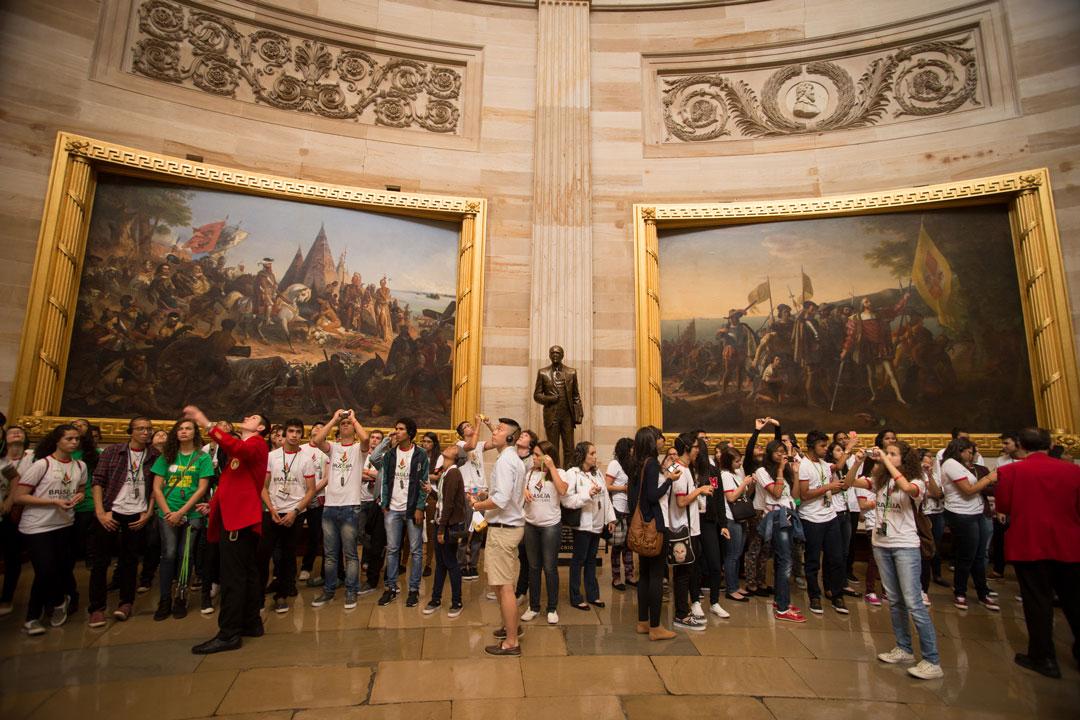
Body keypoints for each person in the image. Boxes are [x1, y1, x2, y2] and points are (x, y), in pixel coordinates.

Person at [848, 442, 943, 680]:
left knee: (914, 602)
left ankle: (932, 660)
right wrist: (859, 461)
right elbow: (850, 483)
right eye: (886, 453)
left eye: (893, 454)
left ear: (904, 459)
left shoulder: (918, 481)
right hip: (882, 544)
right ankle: (904, 648)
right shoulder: (881, 481)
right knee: (895, 600)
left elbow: (907, 488)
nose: (886, 457)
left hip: (905, 545)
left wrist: (885, 461)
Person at [994, 427, 1080, 679]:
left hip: (1030, 544)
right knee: (1075, 601)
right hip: (1070, 544)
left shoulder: (1011, 471)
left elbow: (1004, 505)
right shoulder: (1074, 471)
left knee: (1037, 602)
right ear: (1050, 444)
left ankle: (1043, 658)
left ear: (1020, 444)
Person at [185, 405, 270, 655]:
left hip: (239, 520)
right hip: (232, 517)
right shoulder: (241, 451)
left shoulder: (255, 444)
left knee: (233, 579)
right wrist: (212, 505)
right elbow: (231, 483)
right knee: (246, 574)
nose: (247, 415)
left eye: (253, 417)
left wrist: (205, 422)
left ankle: (229, 633)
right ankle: (251, 623)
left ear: (261, 428)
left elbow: (237, 447)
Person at [12, 425, 86, 635]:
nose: (74, 442)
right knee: (45, 569)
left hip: (64, 523)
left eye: (76, 439)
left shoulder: (80, 466)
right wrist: (53, 501)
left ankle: (33, 617)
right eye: (69, 439)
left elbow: (80, 488)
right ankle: (58, 600)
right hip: (37, 525)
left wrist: (79, 496)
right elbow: (19, 496)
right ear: (57, 441)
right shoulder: (42, 464)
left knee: (57, 569)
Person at [88, 417, 158, 627]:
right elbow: (98, 481)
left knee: (130, 560)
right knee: (100, 562)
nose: (145, 432)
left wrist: (148, 512)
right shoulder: (113, 451)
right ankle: (97, 608)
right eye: (140, 429)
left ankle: (126, 602)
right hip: (111, 510)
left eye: (148, 429)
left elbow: (157, 487)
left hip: (137, 512)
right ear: (131, 431)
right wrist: (101, 512)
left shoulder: (155, 455)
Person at [467, 418, 528, 656]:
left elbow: (501, 500)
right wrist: (487, 494)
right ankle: (511, 626)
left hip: (504, 529)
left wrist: (477, 504)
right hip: (506, 527)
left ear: (511, 438)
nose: (495, 432)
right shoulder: (511, 458)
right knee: (500, 584)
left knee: (504, 587)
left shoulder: (505, 462)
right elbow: (504, 494)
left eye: (501, 430)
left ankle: (511, 642)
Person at [150, 419, 213, 621]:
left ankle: (181, 597)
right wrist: (169, 512)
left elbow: (202, 489)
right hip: (167, 513)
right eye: (181, 429)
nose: (184, 432)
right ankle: (165, 598)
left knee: (185, 555)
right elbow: (157, 488)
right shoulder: (167, 457)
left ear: (195, 433)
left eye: (188, 429)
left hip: (191, 514)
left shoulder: (202, 458)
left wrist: (182, 512)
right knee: (167, 554)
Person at [309, 409, 369, 608]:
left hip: (350, 507)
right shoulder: (333, 448)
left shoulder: (359, 449)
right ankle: (329, 590)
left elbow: (366, 438)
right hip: (330, 507)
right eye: (342, 424)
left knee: (350, 554)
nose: (345, 425)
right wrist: (334, 419)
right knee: (330, 554)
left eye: (348, 424)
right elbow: (317, 440)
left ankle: (352, 591)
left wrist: (353, 418)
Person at [258, 418, 316, 614]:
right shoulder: (272, 456)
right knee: (264, 553)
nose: (294, 435)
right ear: (284, 435)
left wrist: (295, 512)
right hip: (272, 511)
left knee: (287, 555)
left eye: (298, 432)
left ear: (302, 435)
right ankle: (257, 597)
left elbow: (310, 490)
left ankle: (282, 595)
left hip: (294, 512)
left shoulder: (307, 460)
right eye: (290, 431)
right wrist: (271, 509)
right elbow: (263, 486)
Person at [371, 417, 430, 608]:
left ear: (410, 433)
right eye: (395, 428)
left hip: (412, 508)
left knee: (415, 550)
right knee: (393, 549)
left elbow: (423, 483)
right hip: (392, 508)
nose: (397, 431)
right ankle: (391, 588)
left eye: (401, 429)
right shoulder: (389, 455)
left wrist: (420, 507)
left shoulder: (420, 455)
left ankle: (413, 589)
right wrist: (387, 440)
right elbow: (373, 459)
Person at [629, 426, 678, 640]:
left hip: (643, 525)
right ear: (651, 441)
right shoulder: (651, 464)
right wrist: (669, 480)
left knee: (645, 575)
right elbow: (651, 495)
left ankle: (643, 621)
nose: (662, 441)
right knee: (657, 575)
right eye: (658, 438)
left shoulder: (638, 463)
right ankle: (656, 627)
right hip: (655, 525)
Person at [940, 437, 998, 611]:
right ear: (960, 451)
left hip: (977, 511)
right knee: (966, 555)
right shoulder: (950, 464)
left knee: (980, 555)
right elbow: (968, 490)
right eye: (970, 452)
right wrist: (989, 478)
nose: (972, 456)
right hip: (962, 514)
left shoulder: (965, 467)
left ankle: (983, 592)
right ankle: (960, 591)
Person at [754, 440, 806, 623]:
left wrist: (796, 473)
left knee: (782, 560)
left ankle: (780, 601)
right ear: (769, 454)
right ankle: (783, 609)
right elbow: (776, 493)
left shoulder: (787, 470)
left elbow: (797, 496)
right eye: (777, 452)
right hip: (777, 518)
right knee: (785, 562)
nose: (780, 455)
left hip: (790, 515)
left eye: (783, 451)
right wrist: (781, 470)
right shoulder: (762, 471)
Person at [665, 432, 712, 631]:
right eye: (695, 447)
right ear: (686, 448)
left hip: (689, 528)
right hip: (682, 529)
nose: (698, 451)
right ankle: (681, 615)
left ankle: (684, 611)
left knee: (688, 570)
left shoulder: (685, 469)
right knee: (683, 573)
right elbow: (681, 501)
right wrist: (700, 490)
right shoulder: (679, 470)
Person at [562, 441, 616, 612]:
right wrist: (587, 494)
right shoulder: (572, 474)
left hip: (598, 523)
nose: (595, 456)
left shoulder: (597, 473)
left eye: (595, 453)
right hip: (583, 525)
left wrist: (611, 519)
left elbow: (606, 496)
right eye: (592, 453)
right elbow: (567, 500)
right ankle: (576, 597)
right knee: (578, 560)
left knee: (592, 560)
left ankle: (593, 595)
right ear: (583, 455)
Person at [798, 430, 848, 615]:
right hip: (811, 518)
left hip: (830, 515)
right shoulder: (804, 465)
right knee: (812, 560)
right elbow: (804, 495)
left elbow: (829, 490)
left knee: (836, 557)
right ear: (812, 447)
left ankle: (836, 594)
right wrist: (827, 487)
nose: (825, 449)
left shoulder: (824, 465)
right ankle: (814, 596)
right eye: (822, 446)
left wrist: (836, 488)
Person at [521, 440, 567, 625]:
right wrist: (523, 490)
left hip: (550, 526)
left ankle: (552, 608)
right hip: (531, 524)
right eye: (534, 454)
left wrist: (551, 467)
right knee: (533, 567)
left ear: (548, 456)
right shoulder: (530, 473)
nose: (534, 457)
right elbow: (520, 491)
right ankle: (533, 607)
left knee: (549, 568)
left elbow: (563, 490)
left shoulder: (560, 473)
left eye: (538, 454)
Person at [424, 444, 468, 617]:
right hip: (441, 522)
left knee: (451, 563)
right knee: (441, 563)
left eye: (453, 448)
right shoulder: (446, 472)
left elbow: (449, 505)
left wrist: (441, 529)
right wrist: (432, 493)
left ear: (456, 456)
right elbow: (444, 500)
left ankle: (457, 601)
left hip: (448, 525)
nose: (450, 447)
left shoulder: (454, 473)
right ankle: (435, 598)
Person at [455, 415, 497, 579]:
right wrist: (478, 425)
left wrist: (489, 424)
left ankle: (472, 565)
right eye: (466, 426)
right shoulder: (460, 445)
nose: (470, 426)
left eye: (469, 424)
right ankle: (461, 564)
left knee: (479, 530)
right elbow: (471, 444)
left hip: (481, 493)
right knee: (465, 530)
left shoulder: (480, 445)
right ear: (461, 433)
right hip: (468, 493)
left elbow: (498, 442)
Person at [693, 435, 730, 619]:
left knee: (715, 563)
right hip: (691, 521)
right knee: (694, 563)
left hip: (708, 521)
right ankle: (695, 601)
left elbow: (719, 499)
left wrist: (723, 524)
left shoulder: (713, 472)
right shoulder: (686, 471)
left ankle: (714, 602)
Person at [743, 417, 781, 596]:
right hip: (758, 511)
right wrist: (757, 430)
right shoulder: (753, 466)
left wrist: (777, 428)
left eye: (761, 448)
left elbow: (777, 448)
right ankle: (751, 583)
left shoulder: (772, 466)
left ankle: (761, 581)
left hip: (771, 512)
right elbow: (750, 448)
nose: (759, 449)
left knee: (766, 551)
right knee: (754, 549)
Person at [1, 425, 34, 616]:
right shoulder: (3, 460)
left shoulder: (32, 457)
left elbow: (15, 481)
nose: (16, 434)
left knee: (12, 555)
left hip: (17, 512)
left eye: (20, 432)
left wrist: (10, 500)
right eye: (11, 431)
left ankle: (7, 598)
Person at [720, 445, 753, 602]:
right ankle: (731, 588)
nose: (740, 464)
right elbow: (731, 497)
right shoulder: (725, 475)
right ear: (729, 462)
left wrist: (747, 484)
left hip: (740, 517)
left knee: (738, 554)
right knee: (732, 555)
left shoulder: (735, 474)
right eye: (737, 461)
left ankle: (735, 585)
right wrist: (743, 484)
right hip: (731, 518)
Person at [299, 420, 328, 585]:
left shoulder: (325, 450)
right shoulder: (301, 449)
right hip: (299, 497)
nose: (318, 429)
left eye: (322, 428)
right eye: (316, 427)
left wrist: (313, 490)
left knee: (315, 534)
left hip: (318, 497)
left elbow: (326, 476)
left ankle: (308, 567)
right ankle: (303, 568)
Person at [605, 437, 634, 590]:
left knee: (629, 544)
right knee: (617, 544)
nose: (633, 451)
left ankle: (630, 575)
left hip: (630, 508)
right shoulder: (614, 464)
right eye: (631, 448)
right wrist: (623, 489)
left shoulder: (630, 465)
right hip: (618, 508)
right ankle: (616, 577)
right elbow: (607, 486)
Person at [358, 428, 385, 593]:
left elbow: (381, 475)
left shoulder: (383, 457)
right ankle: (365, 562)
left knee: (375, 538)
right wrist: (372, 474)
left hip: (375, 501)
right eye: (372, 437)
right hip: (360, 500)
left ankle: (370, 564)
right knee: (361, 533)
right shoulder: (360, 454)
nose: (374, 440)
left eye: (378, 438)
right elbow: (356, 473)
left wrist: (368, 473)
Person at [419, 431, 444, 579]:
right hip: (418, 493)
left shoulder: (439, 457)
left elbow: (437, 476)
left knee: (430, 529)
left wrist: (422, 475)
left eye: (429, 442)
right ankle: (405, 562)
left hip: (432, 494)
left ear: (434, 443)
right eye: (424, 441)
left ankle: (428, 563)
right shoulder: (419, 454)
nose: (426, 444)